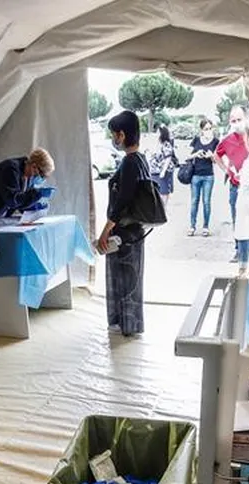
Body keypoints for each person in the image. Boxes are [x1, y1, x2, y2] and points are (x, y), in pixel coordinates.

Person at [97, 111, 149, 337]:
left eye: (114, 134)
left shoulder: (129, 162)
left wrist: (105, 231)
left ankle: (126, 324)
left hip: (124, 233)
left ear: (122, 134)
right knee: (131, 280)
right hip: (135, 231)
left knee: (124, 280)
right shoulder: (141, 160)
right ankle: (129, 324)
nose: (113, 139)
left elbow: (122, 202)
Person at [214, 105, 249, 239]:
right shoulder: (227, 141)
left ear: (246, 119)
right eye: (233, 121)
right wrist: (226, 170)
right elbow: (216, 155)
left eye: (239, 120)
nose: (236, 124)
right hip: (236, 186)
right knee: (237, 218)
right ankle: (239, 246)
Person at [232, 126, 249, 271]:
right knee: (245, 232)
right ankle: (243, 267)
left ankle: (248, 267)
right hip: (244, 198)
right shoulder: (247, 156)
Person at [187, 118, 218, 237]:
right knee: (194, 201)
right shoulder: (196, 140)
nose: (208, 131)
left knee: (206, 202)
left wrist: (211, 156)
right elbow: (187, 156)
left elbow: (217, 160)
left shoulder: (215, 141)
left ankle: (206, 226)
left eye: (210, 128)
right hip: (195, 175)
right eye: (206, 129)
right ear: (201, 130)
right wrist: (196, 154)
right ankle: (192, 226)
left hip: (208, 176)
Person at [150, 125, 177, 206]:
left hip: (163, 171)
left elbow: (168, 158)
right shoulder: (156, 144)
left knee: (164, 192)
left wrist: (163, 171)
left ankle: (163, 208)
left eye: (158, 132)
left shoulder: (166, 144)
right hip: (154, 171)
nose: (156, 133)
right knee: (155, 191)